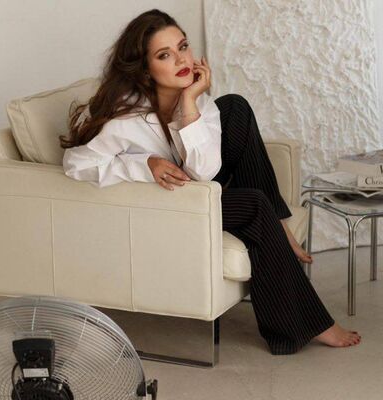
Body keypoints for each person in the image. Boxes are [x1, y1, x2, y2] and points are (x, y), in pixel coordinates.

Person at [60, 9, 361, 354]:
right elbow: (76, 164)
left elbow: (204, 171)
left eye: (183, 47)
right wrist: (145, 164)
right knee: (254, 205)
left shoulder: (196, 99)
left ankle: (278, 222)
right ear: (144, 69)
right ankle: (305, 324)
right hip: (164, 207)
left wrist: (189, 103)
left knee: (235, 107)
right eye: (164, 55)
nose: (181, 60)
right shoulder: (124, 119)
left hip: (194, 190)